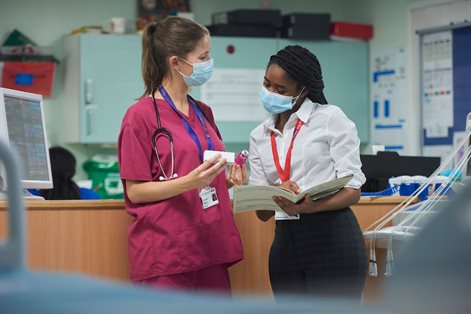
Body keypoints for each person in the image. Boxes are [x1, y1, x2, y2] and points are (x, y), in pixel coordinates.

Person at [117, 17, 246, 294]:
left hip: (210, 246)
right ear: (176, 63)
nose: (210, 62)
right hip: (166, 252)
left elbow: (202, 176)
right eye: (204, 56)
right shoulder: (139, 116)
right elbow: (136, 192)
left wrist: (229, 180)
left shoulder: (203, 111)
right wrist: (189, 183)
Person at [249, 45, 367, 299]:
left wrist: (310, 207)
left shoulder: (329, 118)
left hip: (333, 236)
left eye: (281, 90)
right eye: (267, 84)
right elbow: (262, 213)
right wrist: (273, 194)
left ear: (303, 91)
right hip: (285, 241)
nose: (271, 93)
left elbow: (353, 191)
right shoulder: (259, 135)